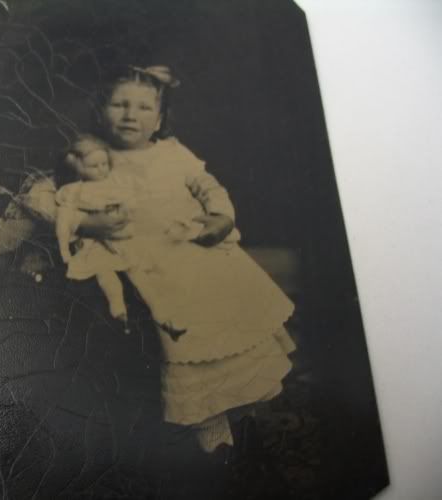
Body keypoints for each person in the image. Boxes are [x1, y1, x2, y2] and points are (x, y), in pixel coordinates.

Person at [21, 64, 295, 452]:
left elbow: (209, 188)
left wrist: (219, 217)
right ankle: (209, 428)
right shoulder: (92, 154)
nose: (131, 115)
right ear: (100, 112)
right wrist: (85, 222)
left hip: (192, 250)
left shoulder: (172, 152)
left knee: (231, 330)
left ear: (160, 119)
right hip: (144, 260)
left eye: (144, 108)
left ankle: (242, 413)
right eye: (120, 104)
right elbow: (40, 196)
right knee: (185, 343)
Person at [54, 133, 187, 338]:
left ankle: (166, 320)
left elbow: (135, 207)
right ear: (78, 168)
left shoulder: (114, 185)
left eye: (104, 164)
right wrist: (63, 248)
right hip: (94, 243)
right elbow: (63, 221)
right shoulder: (73, 191)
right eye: (93, 166)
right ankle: (119, 314)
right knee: (106, 276)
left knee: (142, 278)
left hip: (122, 240)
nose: (101, 170)